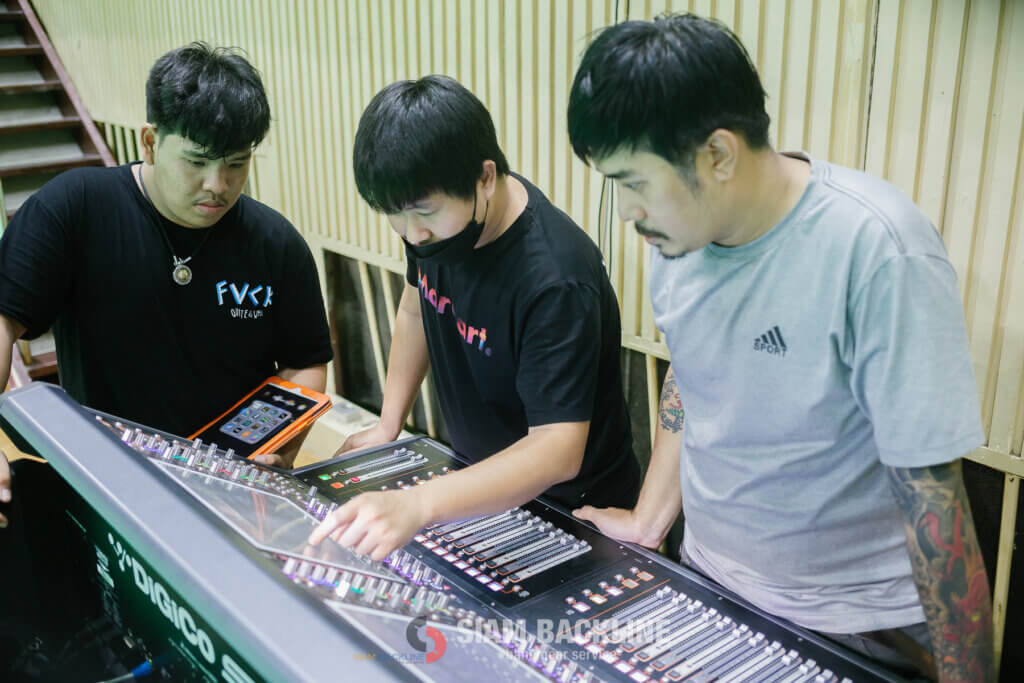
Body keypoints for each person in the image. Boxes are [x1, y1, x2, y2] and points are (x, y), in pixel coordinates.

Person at [566, 13, 993, 682]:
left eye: (635, 183)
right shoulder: (676, 239)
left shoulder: (877, 249)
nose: (625, 212)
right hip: (711, 586)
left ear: (718, 154)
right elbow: (692, 372)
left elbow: (936, 502)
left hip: (853, 628)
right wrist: (650, 519)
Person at [309, 75, 640, 559]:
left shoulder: (556, 278)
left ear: (485, 178)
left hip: (570, 510)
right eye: (394, 215)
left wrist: (419, 504)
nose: (412, 234)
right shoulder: (437, 227)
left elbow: (557, 449)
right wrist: (388, 423)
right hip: (476, 482)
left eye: (423, 212)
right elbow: (415, 307)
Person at [0, 42, 333, 499]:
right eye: (196, 162)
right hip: (104, 478)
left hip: (228, 485)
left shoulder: (276, 243)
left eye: (236, 164)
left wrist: (281, 447)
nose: (217, 185)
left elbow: (305, 361)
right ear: (151, 142)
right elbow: (3, 320)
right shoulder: (74, 208)